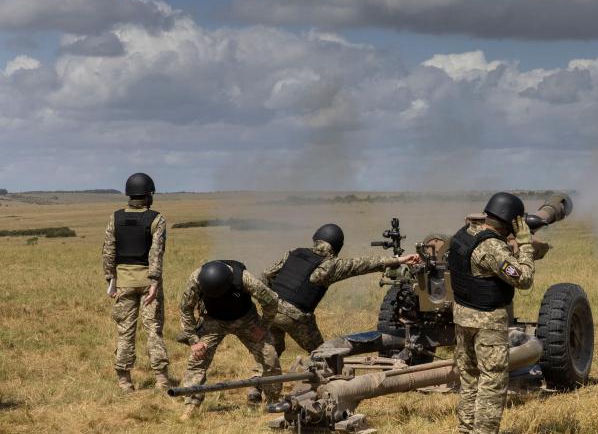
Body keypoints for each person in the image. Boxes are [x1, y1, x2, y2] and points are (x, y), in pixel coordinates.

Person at [255, 224, 419, 402]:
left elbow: (264, 276)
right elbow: (365, 264)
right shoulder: (330, 265)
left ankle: (255, 387)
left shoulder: (294, 253)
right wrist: (400, 260)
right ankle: (328, 394)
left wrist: (270, 301)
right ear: (337, 246)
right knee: (323, 354)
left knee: (271, 350)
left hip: (271, 312)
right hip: (296, 316)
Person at [449, 192, 535, 434]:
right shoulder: (493, 248)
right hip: (487, 322)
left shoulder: (464, 234)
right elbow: (523, 279)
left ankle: (465, 433)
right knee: (492, 379)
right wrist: (526, 246)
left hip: (463, 317)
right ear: (509, 222)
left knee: (469, 378)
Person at [178, 260, 281, 419]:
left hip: (246, 319)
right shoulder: (196, 279)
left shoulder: (245, 279)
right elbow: (185, 308)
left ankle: (273, 401)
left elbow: (272, 301)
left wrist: (263, 327)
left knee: (270, 356)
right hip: (213, 320)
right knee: (197, 359)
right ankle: (191, 405)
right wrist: (194, 341)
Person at [101, 172, 169, 393]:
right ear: (149, 195)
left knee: (125, 332)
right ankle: (161, 379)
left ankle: (124, 381)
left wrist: (110, 279)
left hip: (123, 283)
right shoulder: (157, 219)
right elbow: (156, 253)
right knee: (153, 330)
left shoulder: (115, 218)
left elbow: (108, 251)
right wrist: (154, 282)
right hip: (148, 283)